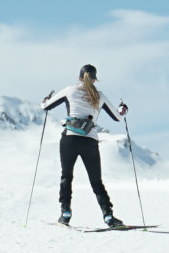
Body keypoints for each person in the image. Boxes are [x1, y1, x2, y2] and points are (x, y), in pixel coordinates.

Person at [41, 64, 127, 227]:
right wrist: (124, 109)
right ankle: (108, 216)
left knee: (66, 176)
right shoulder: (99, 96)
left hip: (70, 139)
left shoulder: (69, 91)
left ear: (79, 77)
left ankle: (65, 213)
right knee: (96, 182)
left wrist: (45, 99)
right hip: (90, 141)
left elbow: (45, 106)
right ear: (95, 79)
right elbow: (118, 117)